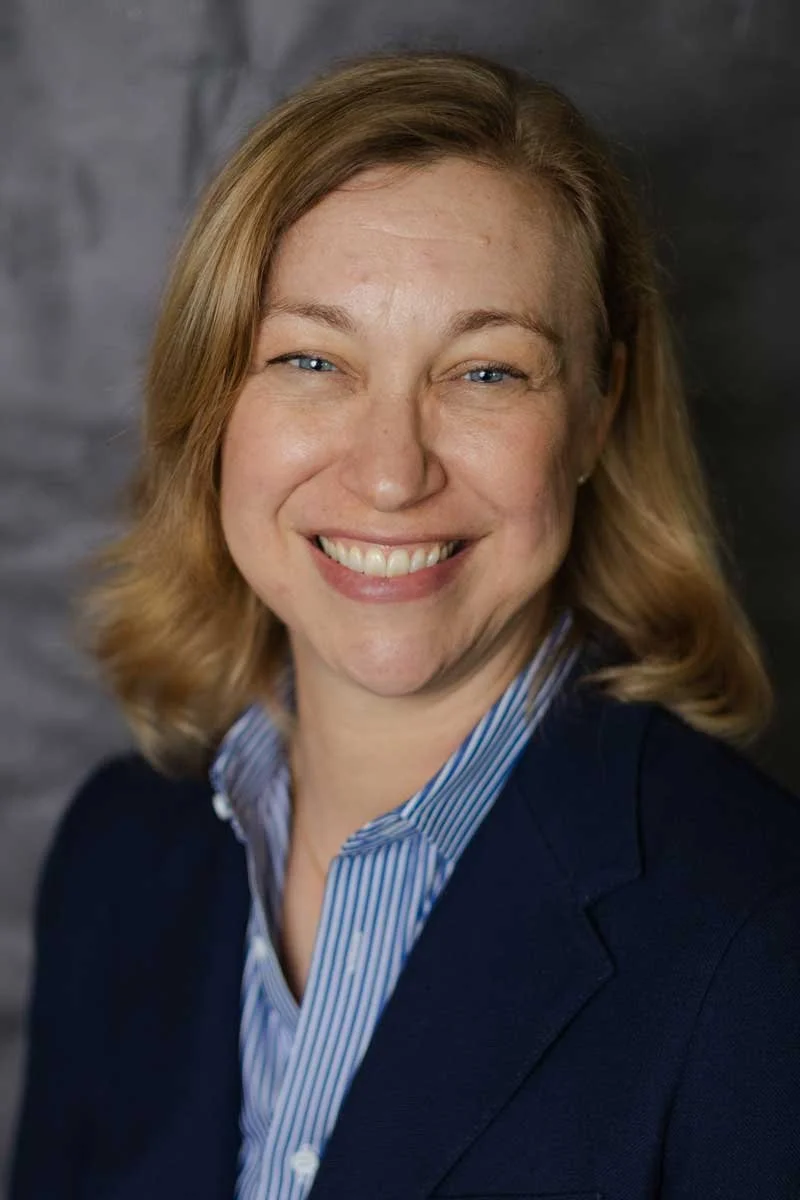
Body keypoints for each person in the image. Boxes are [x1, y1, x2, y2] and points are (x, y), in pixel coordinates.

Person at [9, 49, 800, 1200]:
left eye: (485, 373)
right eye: (312, 359)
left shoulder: (756, 945)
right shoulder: (117, 857)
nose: (389, 475)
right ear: (213, 399)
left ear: (594, 415)